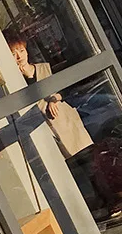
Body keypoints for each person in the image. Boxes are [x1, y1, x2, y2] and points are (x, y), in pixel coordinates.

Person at [5, 30, 93, 159]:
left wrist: (54, 98)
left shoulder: (45, 68)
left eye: (22, 51)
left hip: (68, 128)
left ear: (27, 51)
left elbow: (67, 89)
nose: (19, 57)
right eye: (13, 54)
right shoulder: (14, 82)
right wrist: (27, 77)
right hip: (46, 137)